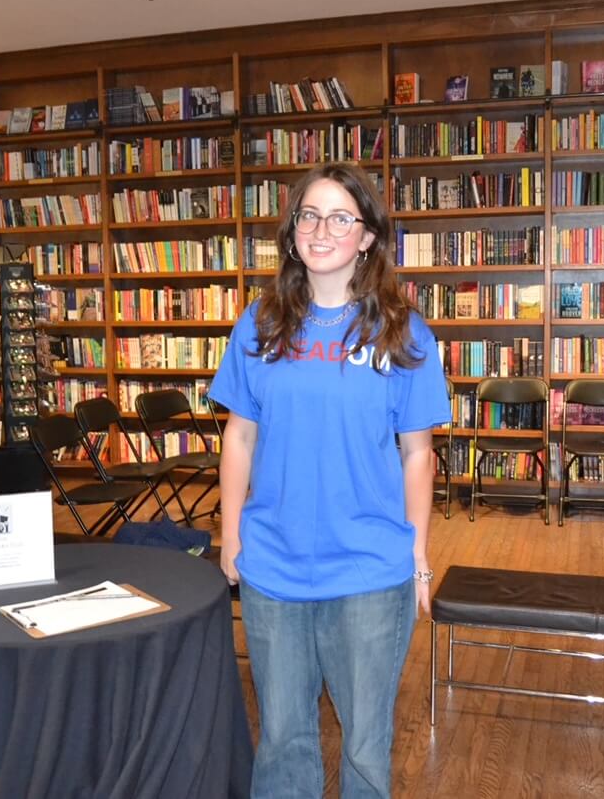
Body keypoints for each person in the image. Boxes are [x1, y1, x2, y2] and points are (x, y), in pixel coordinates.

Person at [208, 162, 450, 798]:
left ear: (366, 236)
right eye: (309, 215)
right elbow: (238, 434)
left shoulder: (402, 332)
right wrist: (231, 535)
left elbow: (417, 454)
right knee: (283, 737)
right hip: (274, 566)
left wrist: (417, 554)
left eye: (341, 217)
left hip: (368, 570)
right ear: (292, 232)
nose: (322, 229)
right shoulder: (258, 325)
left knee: (366, 742)